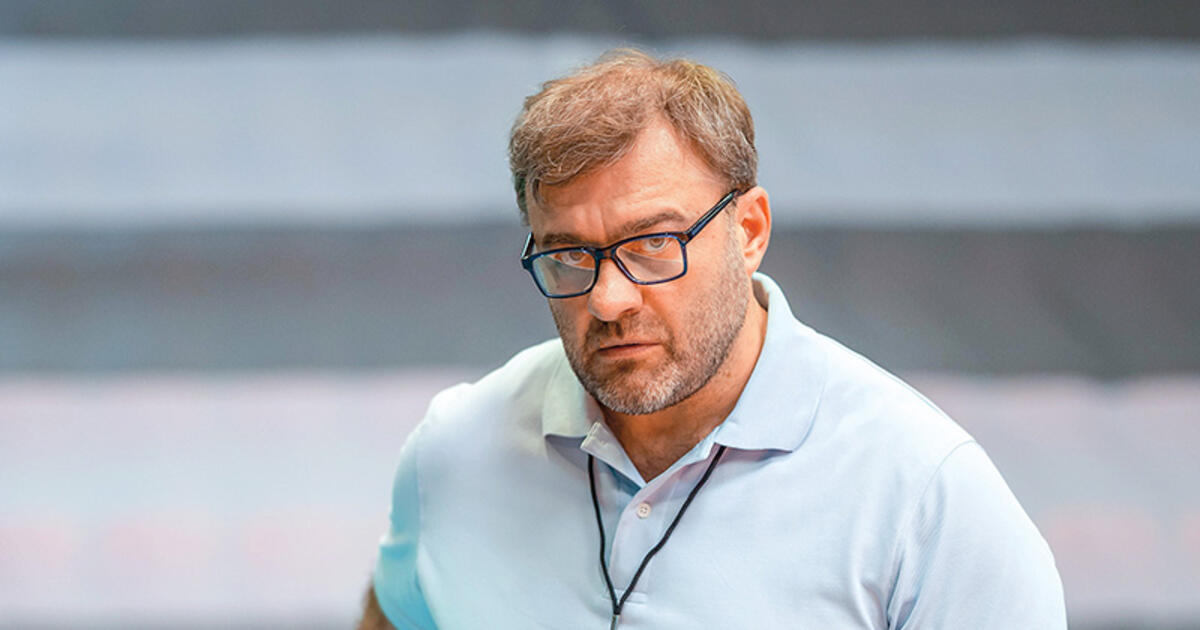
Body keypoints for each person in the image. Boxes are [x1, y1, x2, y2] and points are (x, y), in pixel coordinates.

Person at [359, 48, 1066, 629]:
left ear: (749, 231)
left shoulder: (923, 494)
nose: (607, 300)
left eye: (654, 243)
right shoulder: (454, 450)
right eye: (569, 254)